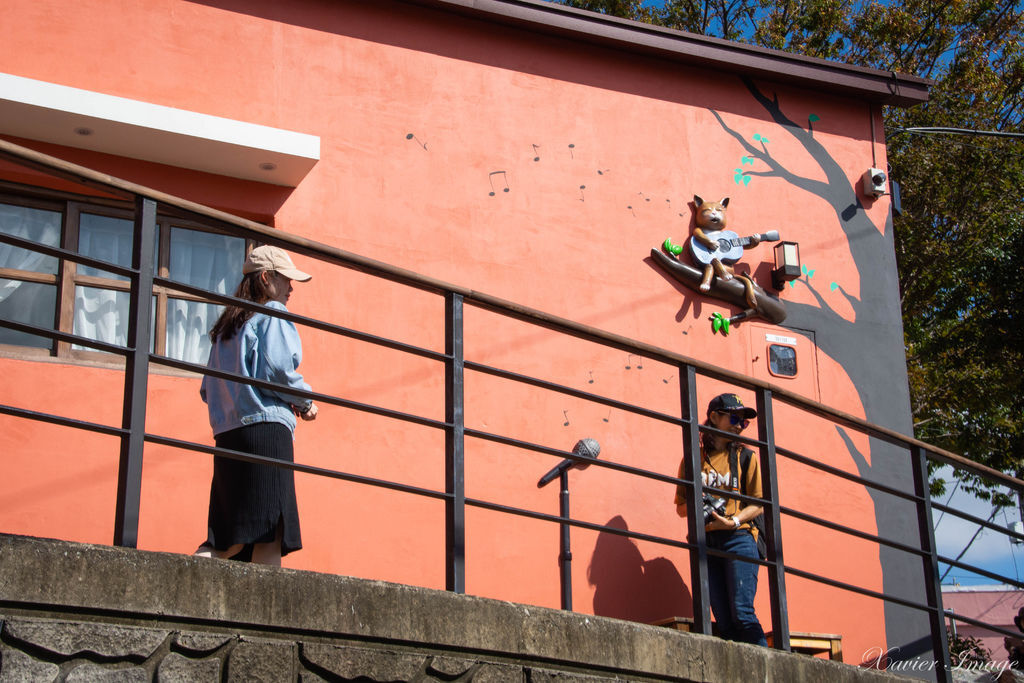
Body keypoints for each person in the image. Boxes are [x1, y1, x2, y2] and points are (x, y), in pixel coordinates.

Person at [195, 245, 318, 566]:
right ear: (266, 278)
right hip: (266, 432)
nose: (291, 287)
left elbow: (208, 390)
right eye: (286, 279)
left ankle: (195, 569)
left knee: (231, 534)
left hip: (228, 436)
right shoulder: (272, 314)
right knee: (269, 528)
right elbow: (278, 368)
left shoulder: (225, 329)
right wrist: (305, 403)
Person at [675, 392, 767, 646]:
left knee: (742, 612)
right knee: (723, 618)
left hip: (739, 537)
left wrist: (733, 521)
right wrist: (699, 507)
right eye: (735, 418)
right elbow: (681, 508)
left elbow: (758, 504)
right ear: (714, 417)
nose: (740, 425)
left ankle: (769, 667)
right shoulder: (694, 459)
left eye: (744, 422)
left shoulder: (746, 458)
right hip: (706, 540)